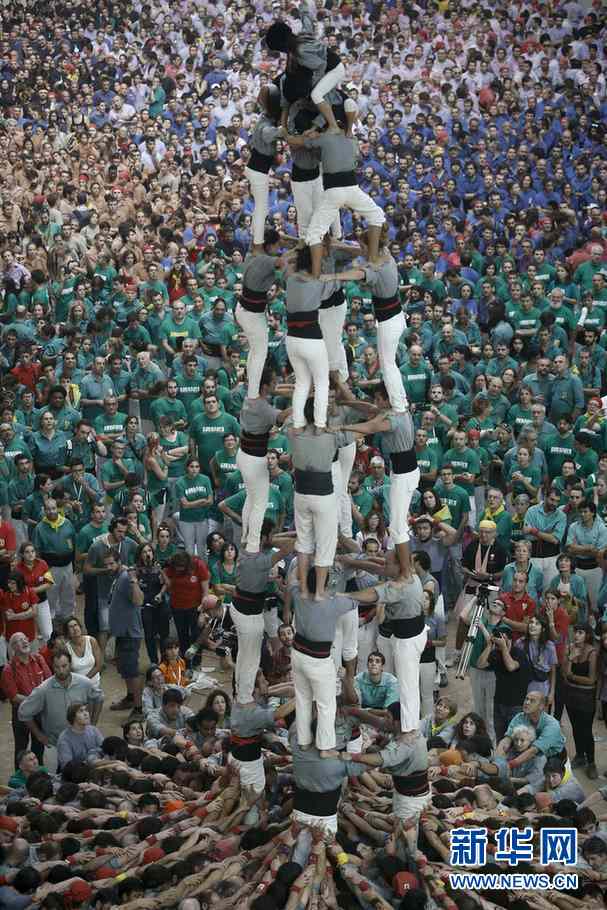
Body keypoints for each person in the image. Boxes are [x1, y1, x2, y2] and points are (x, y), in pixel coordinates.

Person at [339, 383, 419, 579]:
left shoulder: (393, 418)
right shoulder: (392, 410)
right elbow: (368, 408)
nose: (375, 402)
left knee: (398, 527)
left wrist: (341, 427)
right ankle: (402, 564)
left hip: (404, 475)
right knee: (397, 525)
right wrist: (345, 402)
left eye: (378, 398)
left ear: (387, 399)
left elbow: (370, 427)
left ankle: (407, 570)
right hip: (401, 472)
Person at [230, 520, 294, 706]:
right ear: (264, 538)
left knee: (244, 654)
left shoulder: (245, 547)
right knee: (251, 659)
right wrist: (279, 538)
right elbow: (289, 546)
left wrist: (272, 537)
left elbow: (279, 540)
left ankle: (239, 691)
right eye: (271, 535)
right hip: (247, 615)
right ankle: (245, 698)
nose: (273, 538)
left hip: (244, 608)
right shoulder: (260, 560)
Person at [289, 398, 338, 598]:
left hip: (301, 493)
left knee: (303, 542)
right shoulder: (331, 435)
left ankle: (303, 589)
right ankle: (318, 591)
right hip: (323, 494)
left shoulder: (293, 433)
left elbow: (289, 418)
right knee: (325, 544)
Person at [17, 648, 103, 759]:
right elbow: (23, 712)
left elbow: (99, 698)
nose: (61, 671)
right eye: (57, 667)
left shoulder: (84, 683)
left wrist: (93, 723)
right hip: (54, 745)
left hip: (82, 741)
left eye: (64, 666)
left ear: (70, 664)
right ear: (52, 667)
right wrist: (39, 735)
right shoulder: (43, 690)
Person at [1, 633, 51, 767]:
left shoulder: (39, 659)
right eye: (19, 641)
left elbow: (49, 681)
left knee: (39, 747)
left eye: (25, 639)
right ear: (13, 647)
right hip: (21, 714)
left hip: (40, 711)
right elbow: (14, 696)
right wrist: (36, 700)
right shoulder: (8, 669)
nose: (24, 642)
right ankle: (19, 776)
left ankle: (38, 775)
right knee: (21, 750)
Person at [106, 549, 145, 714]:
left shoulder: (125, 578)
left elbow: (139, 600)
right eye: (106, 564)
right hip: (121, 633)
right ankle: (130, 698)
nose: (108, 567)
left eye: (111, 563)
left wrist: (134, 581)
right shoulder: (118, 577)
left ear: (119, 562)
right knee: (125, 670)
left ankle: (138, 709)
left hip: (130, 634)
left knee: (132, 671)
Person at [63, 616, 102, 700]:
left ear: (80, 627)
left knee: (99, 700)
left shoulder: (91, 641)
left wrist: (85, 680)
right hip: (77, 687)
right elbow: (68, 671)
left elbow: (99, 665)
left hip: (95, 684)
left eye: (76, 625)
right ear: (67, 633)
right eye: (71, 627)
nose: (74, 628)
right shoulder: (66, 648)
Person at [56, 703, 104, 769]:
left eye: (86, 710)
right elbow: (67, 766)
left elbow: (104, 748)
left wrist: (93, 755)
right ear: (73, 717)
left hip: (96, 768)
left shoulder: (93, 730)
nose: (86, 714)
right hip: (76, 773)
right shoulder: (64, 739)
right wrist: (90, 761)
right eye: (81, 711)